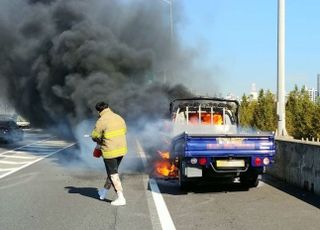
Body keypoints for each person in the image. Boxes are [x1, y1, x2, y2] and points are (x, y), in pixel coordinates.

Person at [91, 101, 128, 206]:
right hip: (121, 150)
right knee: (112, 172)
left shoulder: (101, 121)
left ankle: (121, 197)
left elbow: (95, 136)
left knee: (113, 174)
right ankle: (103, 191)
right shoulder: (119, 117)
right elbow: (125, 131)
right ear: (108, 107)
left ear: (99, 111)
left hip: (110, 151)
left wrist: (98, 138)